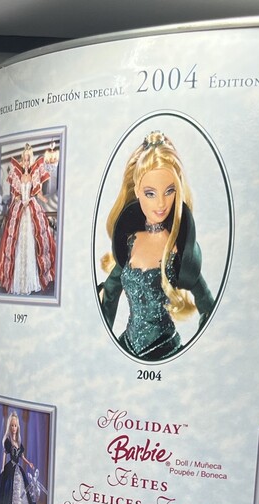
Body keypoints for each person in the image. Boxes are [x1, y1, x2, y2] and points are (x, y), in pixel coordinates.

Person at [97, 130, 215, 360]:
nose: (161, 203)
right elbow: (110, 294)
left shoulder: (178, 248)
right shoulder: (129, 241)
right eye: (150, 193)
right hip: (126, 347)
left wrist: (197, 354)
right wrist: (102, 341)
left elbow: (207, 304)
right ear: (137, 191)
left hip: (165, 350)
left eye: (169, 191)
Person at [0, 142, 57, 296]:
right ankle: (18, 280)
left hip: (30, 207)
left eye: (28, 159)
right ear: (22, 160)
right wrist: (19, 201)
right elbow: (15, 194)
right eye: (24, 159)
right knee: (16, 242)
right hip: (20, 209)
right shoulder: (17, 175)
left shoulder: (33, 175)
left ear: (31, 160)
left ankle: (31, 279)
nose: (26, 162)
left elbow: (37, 193)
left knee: (33, 241)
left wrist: (42, 199)